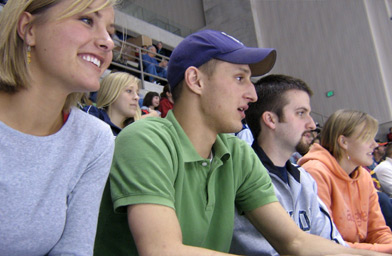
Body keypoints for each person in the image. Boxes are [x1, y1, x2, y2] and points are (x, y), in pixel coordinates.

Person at [94, 29, 386, 256]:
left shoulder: (236, 153)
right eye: (239, 78)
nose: (253, 95)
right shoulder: (147, 139)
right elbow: (163, 251)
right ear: (196, 81)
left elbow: (294, 242)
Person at [0, 0, 117, 255]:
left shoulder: (95, 139)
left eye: (111, 31)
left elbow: (74, 250)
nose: (108, 42)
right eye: (87, 20)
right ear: (29, 29)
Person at [230, 74, 347, 256]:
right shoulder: (240, 177)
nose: (311, 125)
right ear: (271, 120)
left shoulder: (304, 178)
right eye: (301, 113)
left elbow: (332, 243)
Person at [298, 109, 392, 253]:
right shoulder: (315, 172)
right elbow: (326, 243)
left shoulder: (363, 176)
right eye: (368, 138)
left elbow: (378, 231)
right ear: (343, 142)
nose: (375, 145)